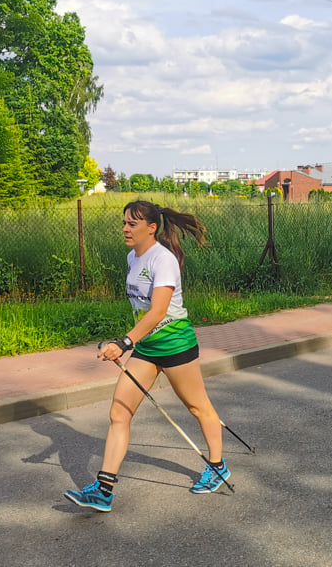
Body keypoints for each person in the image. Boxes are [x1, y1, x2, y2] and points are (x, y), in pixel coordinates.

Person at [64, 201, 229, 512]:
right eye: (124, 223)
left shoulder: (163, 260)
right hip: (146, 348)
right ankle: (103, 489)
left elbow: (157, 311)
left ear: (151, 228)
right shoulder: (132, 256)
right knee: (119, 413)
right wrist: (131, 343)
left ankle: (218, 466)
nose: (125, 228)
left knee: (198, 407)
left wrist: (124, 342)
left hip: (175, 345)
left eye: (132, 224)